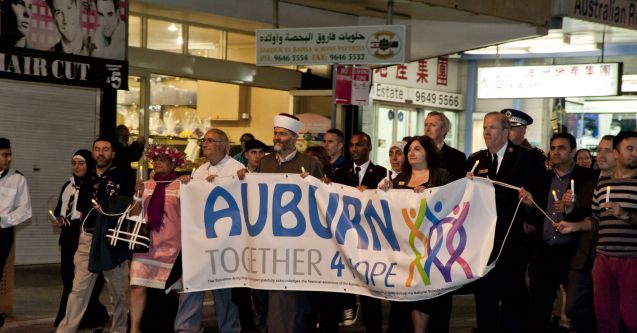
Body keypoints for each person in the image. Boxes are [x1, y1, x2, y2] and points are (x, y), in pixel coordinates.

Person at [239, 113, 322, 333]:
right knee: (262, 292)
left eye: (282, 134)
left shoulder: (309, 164)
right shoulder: (265, 162)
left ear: (295, 137)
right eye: (276, 133)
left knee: (291, 298)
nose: (277, 137)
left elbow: (323, 198)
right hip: (267, 241)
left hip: (296, 243)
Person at [466, 112, 545, 332]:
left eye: (491, 128)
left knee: (512, 297)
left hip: (513, 240)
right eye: (484, 128)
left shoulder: (528, 158)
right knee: (484, 296)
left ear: (505, 131)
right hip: (484, 241)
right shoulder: (476, 160)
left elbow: (540, 196)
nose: (486, 133)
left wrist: (530, 204)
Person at [558, 131, 637, 332]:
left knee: (631, 317)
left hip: (631, 258)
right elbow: (595, 220)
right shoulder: (602, 184)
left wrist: (626, 215)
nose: (635, 153)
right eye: (630, 149)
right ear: (619, 153)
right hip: (602, 258)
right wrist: (573, 226)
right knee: (604, 317)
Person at [56, 137, 135, 333]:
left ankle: (119, 329)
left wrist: (109, 208)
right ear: (93, 153)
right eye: (97, 149)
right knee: (78, 290)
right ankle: (66, 330)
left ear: (113, 154)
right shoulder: (88, 179)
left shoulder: (123, 177)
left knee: (118, 293)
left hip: (112, 241)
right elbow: (82, 211)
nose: (101, 153)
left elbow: (131, 207)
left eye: (105, 149)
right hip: (88, 239)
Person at [524, 133, 597, 332]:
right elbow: (536, 216)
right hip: (545, 251)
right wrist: (530, 206)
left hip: (573, 251)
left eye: (562, 148)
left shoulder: (588, 177)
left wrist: (570, 209)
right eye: (553, 148)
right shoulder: (543, 178)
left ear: (573, 151)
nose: (556, 152)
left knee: (577, 308)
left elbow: (592, 213)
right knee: (539, 308)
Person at [380, 136, 454, 333]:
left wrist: (430, 192)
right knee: (403, 305)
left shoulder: (441, 175)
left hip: (433, 250)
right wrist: (385, 193)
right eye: (410, 149)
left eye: (417, 149)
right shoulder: (399, 179)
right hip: (405, 251)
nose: (411, 153)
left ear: (428, 153)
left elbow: (452, 202)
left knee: (428, 301)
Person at [175, 128, 244, 333]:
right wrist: (188, 184)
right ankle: (185, 329)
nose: (205, 143)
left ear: (224, 145)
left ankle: (230, 329)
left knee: (224, 291)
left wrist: (240, 180)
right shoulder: (200, 169)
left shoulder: (237, 168)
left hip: (226, 240)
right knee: (192, 284)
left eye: (210, 140)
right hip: (200, 239)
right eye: (204, 140)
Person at [332, 132, 388, 333]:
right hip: (345, 239)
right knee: (343, 284)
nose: (354, 149)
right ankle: (345, 311)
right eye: (352, 145)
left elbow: (386, 204)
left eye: (359, 145)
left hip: (369, 241)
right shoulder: (339, 173)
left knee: (369, 292)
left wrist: (371, 194)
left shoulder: (382, 173)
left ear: (369, 147)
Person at [51, 149, 109, 329]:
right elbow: (61, 208)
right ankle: (86, 317)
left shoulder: (93, 185)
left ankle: (76, 319)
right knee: (68, 278)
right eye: (74, 163)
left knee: (81, 283)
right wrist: (59, 220)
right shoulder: (67, 185)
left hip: (83, 235)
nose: (76, 167)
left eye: (81, 163)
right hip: (67, 237)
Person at [129, 145, 184, 333]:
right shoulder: (146, 185)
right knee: (138, 285)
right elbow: (134, 215)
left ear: (173, 163)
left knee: (174, 290)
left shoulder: (181, 186)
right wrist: (137, 196)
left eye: (163, 159)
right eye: (156, 159)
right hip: (146, 244)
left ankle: (179, 326)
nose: (158, 162)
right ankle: (135, 329)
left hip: (172, 247)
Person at [0, 138, 32, 327]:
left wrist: (4, 220)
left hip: (2, 233)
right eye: (5, 155)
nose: (9, 158)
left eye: (10, 154)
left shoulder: (17, 179)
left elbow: (25, 210)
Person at [424, 111, 466, 180]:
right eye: (426, 125)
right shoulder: (417, 153)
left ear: (443, 130)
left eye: (432, 125)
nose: (427, 129)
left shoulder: (457, 157)